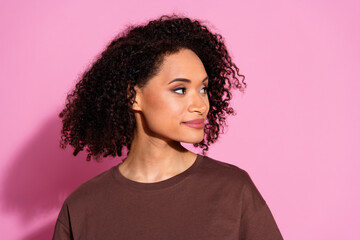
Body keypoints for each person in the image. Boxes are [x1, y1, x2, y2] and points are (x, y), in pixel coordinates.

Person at [53, 14, 283, 240]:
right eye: (180, 89)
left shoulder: (233, 190)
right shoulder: (81, 208)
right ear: (134, 96)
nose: (201, 105)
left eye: (203, 89)